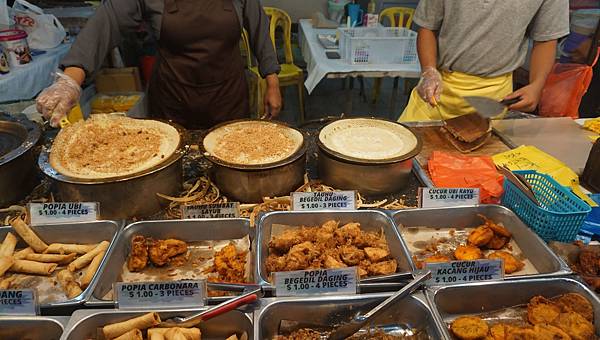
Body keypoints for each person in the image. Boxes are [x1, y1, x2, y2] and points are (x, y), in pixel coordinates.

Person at [36, 0, 282, 129]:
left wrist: (272, 81)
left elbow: (259, 28)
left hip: (227, 97)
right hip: (172, 99)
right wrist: (69, 82)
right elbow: (106, 22)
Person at [400, 0, 570, 122]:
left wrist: (537, 85)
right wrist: (429, 71)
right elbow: (428, 27)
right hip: (439, 90)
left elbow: (546, 39)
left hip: (494, 97)